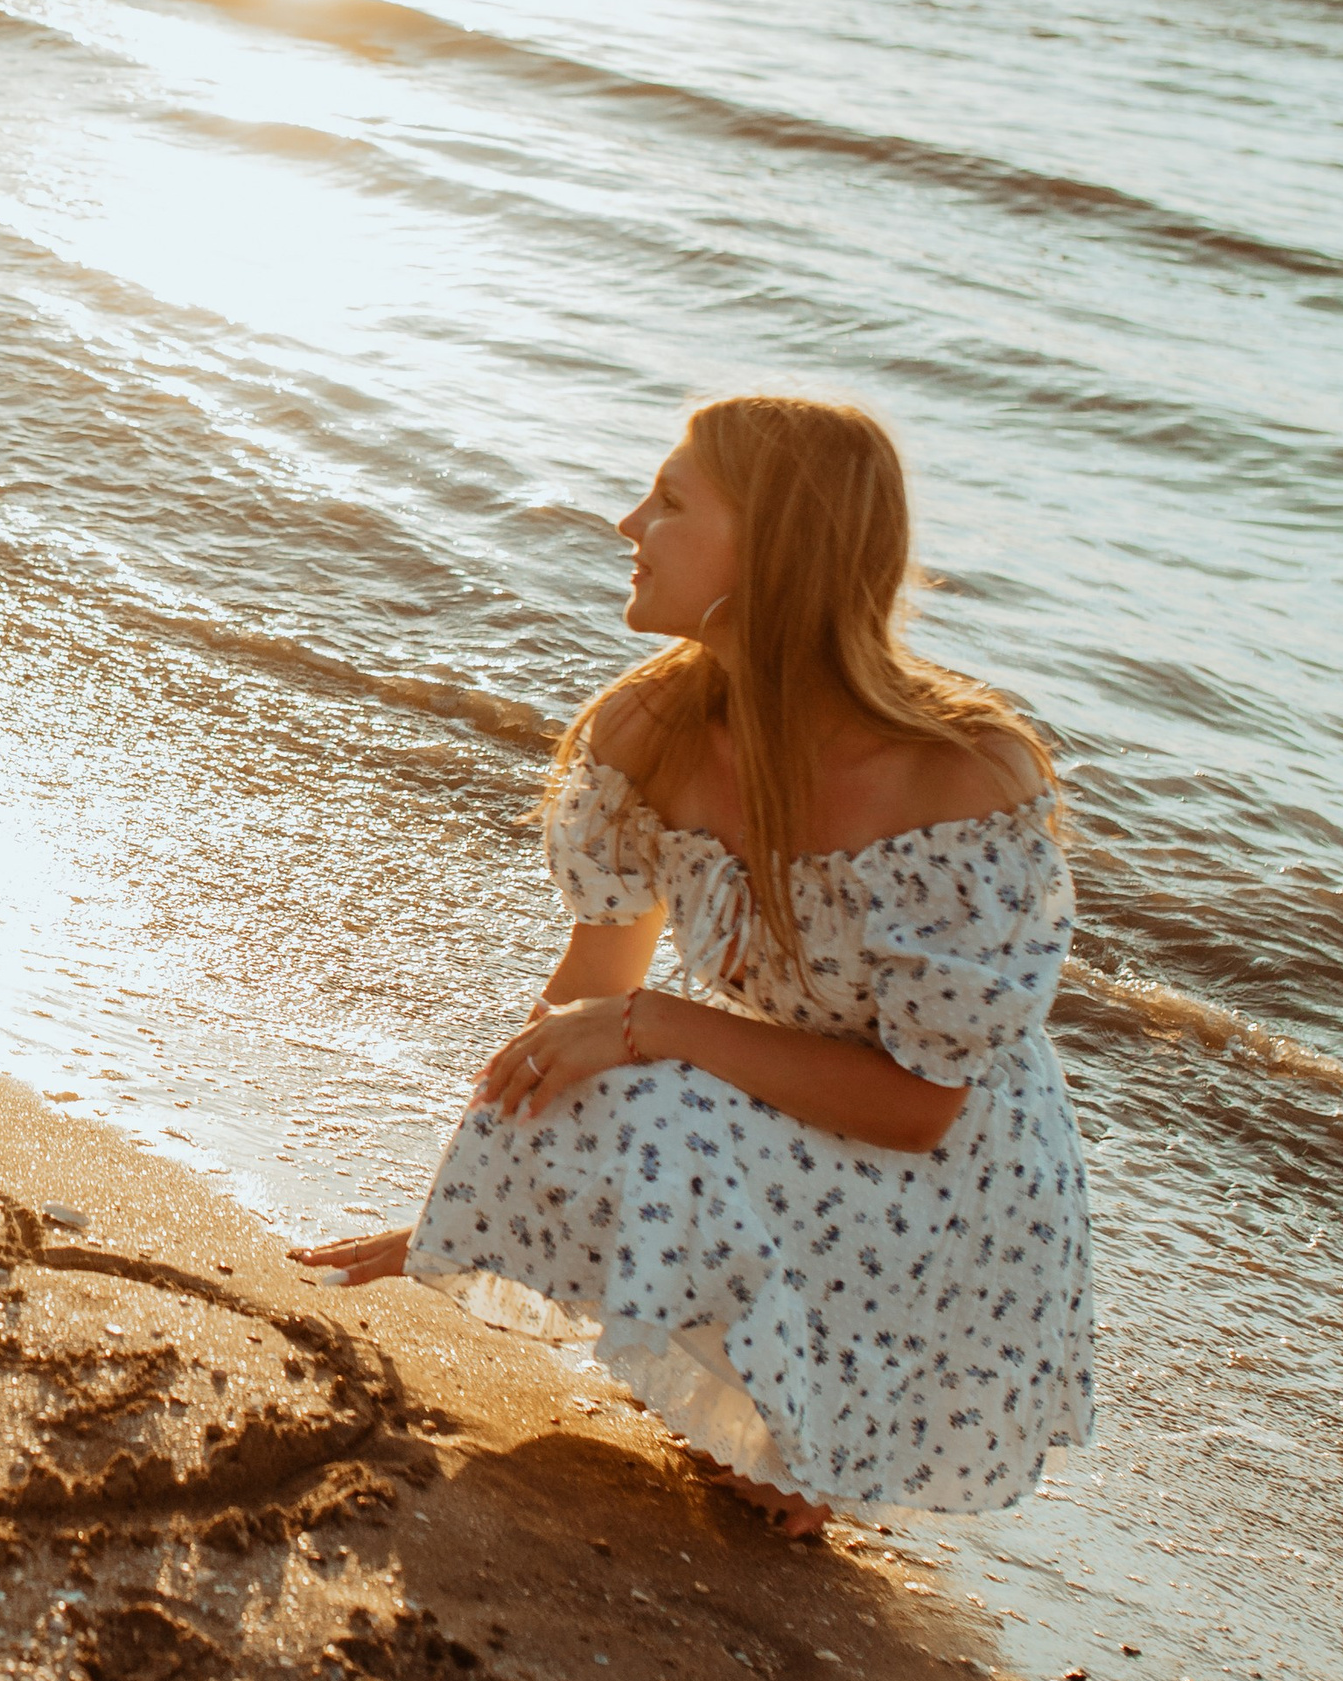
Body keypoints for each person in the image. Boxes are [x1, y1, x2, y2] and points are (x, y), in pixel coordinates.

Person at [295, 393, 1093, 1534]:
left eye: (669, 500)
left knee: (652, 1079)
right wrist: (468, 1202)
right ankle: (741, 1398)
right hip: (786, 1122)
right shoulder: (653, 727)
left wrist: (659, 1029)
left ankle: (801, 1438)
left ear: (774, 550)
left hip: (963, 1190)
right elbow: (588, 999)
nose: (627, 522)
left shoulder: (959, 775)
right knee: (603, 1074)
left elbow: (919, 1108)